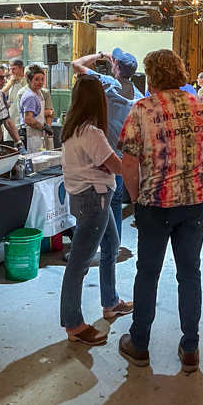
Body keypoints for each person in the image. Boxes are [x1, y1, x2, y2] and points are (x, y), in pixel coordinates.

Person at [117, 49, 203, 372]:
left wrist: (137, 198)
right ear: (180, 73)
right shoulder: (202, 106)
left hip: (153, 204)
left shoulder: (142, 109)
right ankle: (190, 347)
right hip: (192, 204)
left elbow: (128, 162)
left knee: (147, 273)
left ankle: (139, 344)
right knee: (189, 275)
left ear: (151, 76)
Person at [60, 75, 133, 345]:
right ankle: (73, 323)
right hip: (94, 200)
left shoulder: (74, 128)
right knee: (79, 264)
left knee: (112, 247)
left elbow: (106, 162)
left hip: (91, 198)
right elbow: (116, 165)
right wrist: (136, 161)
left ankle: (110, 301)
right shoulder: (90, 131)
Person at [72, 48, 143, 242]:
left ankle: (90, 244)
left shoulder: (107, 83)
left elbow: (76, 65)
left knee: (94, 204)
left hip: (102, 153)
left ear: (117, 67)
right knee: (116, 201)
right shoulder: (138, 95)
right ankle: (114, 242)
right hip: (122, 155)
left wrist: (100, 55)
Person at [19, 64, 54, 153]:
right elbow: (28, 119)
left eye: (42, 79)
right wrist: (43, 127)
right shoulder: (30, 96)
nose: (40, 82)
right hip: (30, 134)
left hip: (37, 134)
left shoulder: (39, 93)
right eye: (36, 79)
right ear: (29, 80)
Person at [2, 58, 27, 128]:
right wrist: (10, 83)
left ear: (21, 68)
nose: (11, 72)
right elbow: (1, 93)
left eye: (14, 69)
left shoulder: (26, 81)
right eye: (10, 69)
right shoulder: (9, 81)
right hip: (11, 115)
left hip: (22, 117)